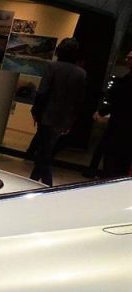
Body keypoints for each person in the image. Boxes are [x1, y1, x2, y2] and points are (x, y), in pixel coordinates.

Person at [28, 38, 86, 186]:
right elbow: (78, 102)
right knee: (46, 150)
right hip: (64, 118)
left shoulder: (52, 67)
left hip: (47, 115)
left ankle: (44, 184)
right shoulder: (81, 73)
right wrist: (71, 121)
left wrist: (35, 111)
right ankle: (36, 182)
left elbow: (43, 92)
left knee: (44, 153)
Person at [93, 50, 132, 178]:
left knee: (113, 159)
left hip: (121, 126)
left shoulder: (128, 80)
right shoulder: (127, 77)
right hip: (122, 125)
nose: (127, 60)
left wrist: (102, 111)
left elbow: (121, 101)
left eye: (130, 58)